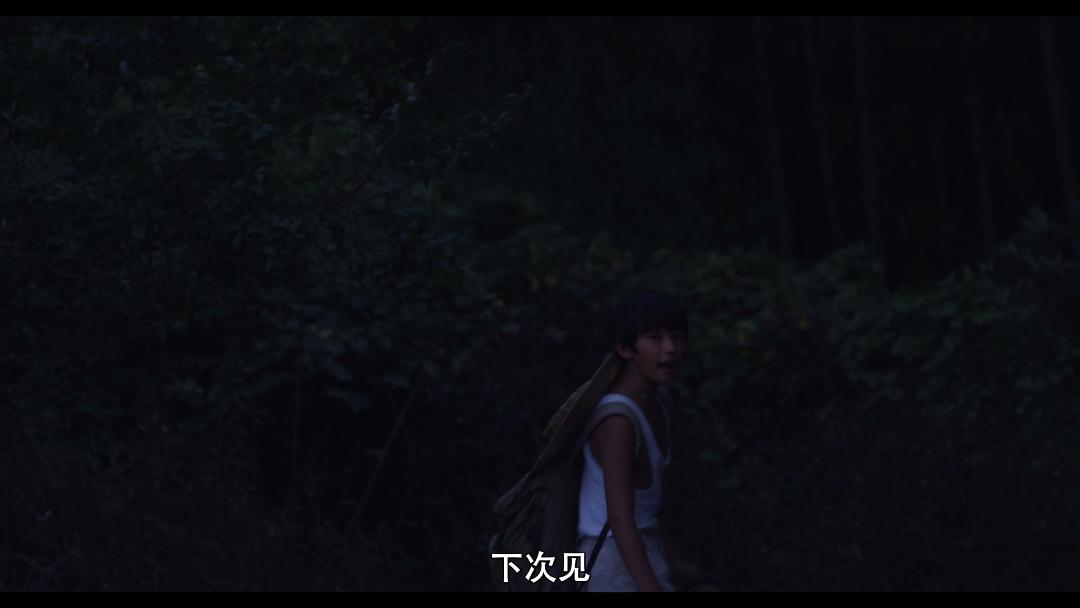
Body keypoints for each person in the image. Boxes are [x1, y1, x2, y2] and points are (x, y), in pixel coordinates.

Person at [575, 289, 698, 592]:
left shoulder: (658, 401)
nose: (670, 348)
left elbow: (649, 509)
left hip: (644, 551)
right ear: (625, 348)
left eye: (677, 337)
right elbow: (619, 518)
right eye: (655, 338)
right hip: (611, 562)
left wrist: (675, 565)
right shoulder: (618, 420)